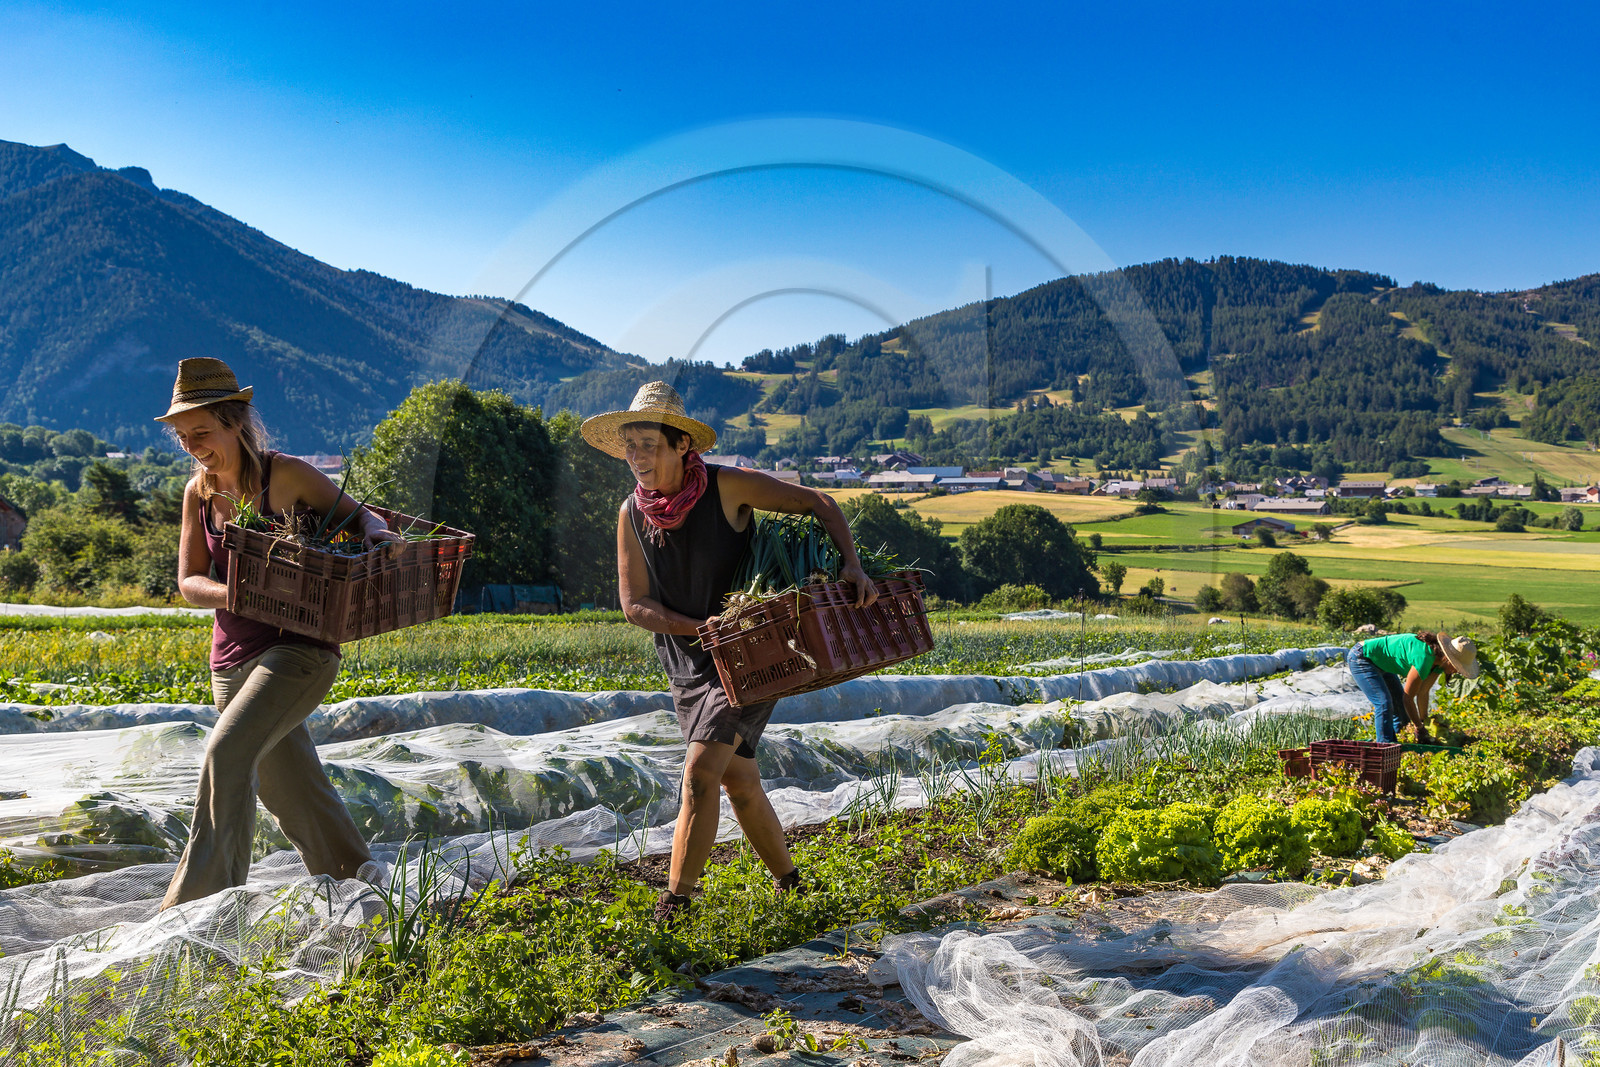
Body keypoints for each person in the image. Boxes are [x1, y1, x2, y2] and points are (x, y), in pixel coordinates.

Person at [582, 381, 879, 925]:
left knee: (699, 772)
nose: (638, 457)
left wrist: (852, 566)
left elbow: (817, 503)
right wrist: (699, 628)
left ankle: (677, 906)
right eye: (631, 446)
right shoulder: (632, 513)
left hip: (750, 650)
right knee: (737, 780)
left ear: (681, 446)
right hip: (689, 657)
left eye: (649, 444)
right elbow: (634, 604)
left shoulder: (727, 487)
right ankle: (794, 888)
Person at [155, 358, 403, 909]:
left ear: (235, 422)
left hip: (298, 650)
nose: (193, 445)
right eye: (184, 435)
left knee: (225, 755)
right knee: (295, 795)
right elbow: (190, 582)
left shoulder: (284, 476)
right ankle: (363, 894)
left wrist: (380, 534)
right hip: (230, 663)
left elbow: (361, 517)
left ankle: (198, 914)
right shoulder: (198, 494)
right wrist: (237, 596)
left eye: (203, 432)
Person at [1346, 630, 1479, 744]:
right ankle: (1384, 747)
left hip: (1383, 664)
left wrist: (1424, 720)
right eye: (1457, 666)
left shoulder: (1439, 664)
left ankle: (1399, 741)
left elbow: (1423, 692)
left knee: (1401, 710)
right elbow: (1408, 698)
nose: (1458, 671)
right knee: (1384, 702)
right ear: (1448, 659)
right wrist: (1419, 728)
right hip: (1363, 657)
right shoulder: (1424, 659)